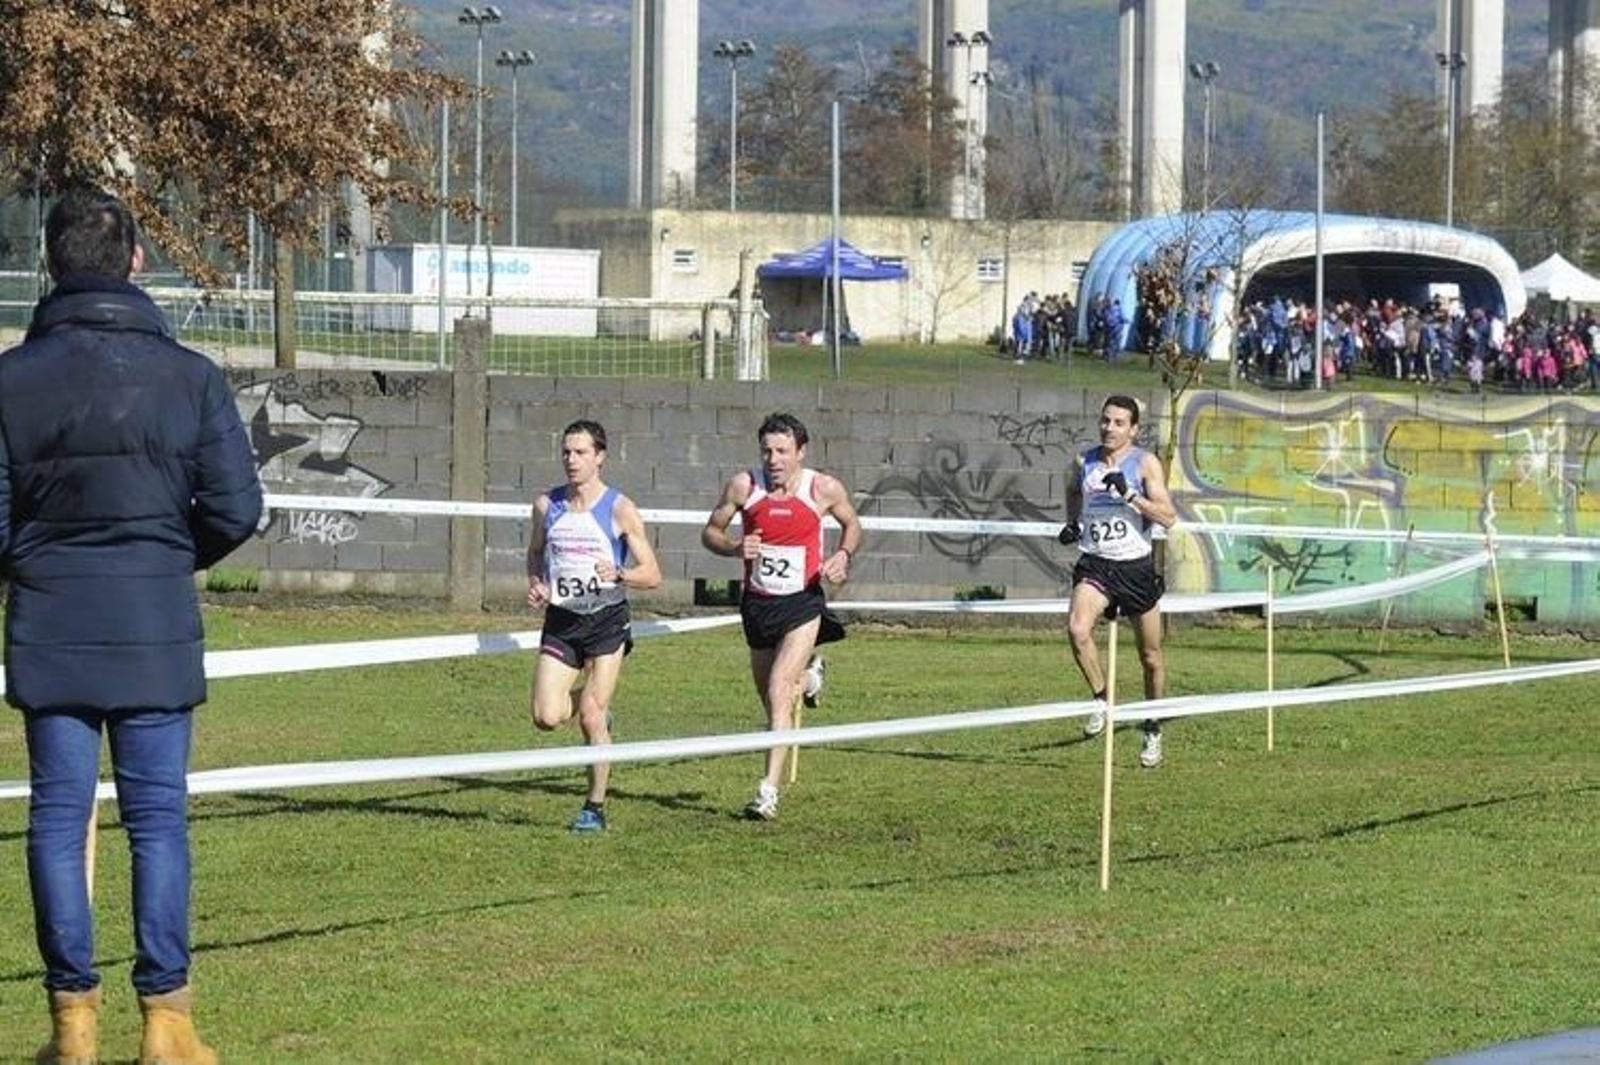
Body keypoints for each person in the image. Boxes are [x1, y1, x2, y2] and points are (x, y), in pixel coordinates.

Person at [0, 188, 262, 1063]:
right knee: (157, 821)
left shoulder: (9, 380)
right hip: (154, 620)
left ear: (49, 264)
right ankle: (167, 1023)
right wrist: (166, 555)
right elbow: (237, 508)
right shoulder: (192, 376)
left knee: (57, 817)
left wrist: (40, 562)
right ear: (138, 261)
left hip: (50, 621)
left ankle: (71, 1024)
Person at [702, 412, 863, 820]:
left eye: (782, 451)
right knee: (773, 698)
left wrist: (843, 555)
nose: (773, 459)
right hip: (758, 605)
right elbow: (711, 532)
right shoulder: (744, 486)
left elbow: (852, 524)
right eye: (767, 451)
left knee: (778, 691)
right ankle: (812, 678)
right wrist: (735, 547)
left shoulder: (822, 488)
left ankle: (767, 792)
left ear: (800, 452)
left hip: (801, 604)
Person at [527, 420, 662, 833]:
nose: (571, 460)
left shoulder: (619, 509)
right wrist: (537, 582)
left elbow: (653, 574)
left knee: (589, 716)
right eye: (566, 452)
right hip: (563, 620)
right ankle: (598, 706)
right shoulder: (546, 506)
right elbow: (534, 552)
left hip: (606, 622)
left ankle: (594, 807)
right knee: (546, 716)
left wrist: (620, 573)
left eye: (581, 452)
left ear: (600, 457)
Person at [1059, 396, 1178, 768]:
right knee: (1078, 628)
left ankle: (1152, 727)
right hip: (1096, 564)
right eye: (1105, 420)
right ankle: (1102, 699)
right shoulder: (1084, 461)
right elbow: (1072, 490)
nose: (1109, 428)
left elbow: (1168, 517)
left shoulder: (1144, 463)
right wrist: (1074, 522)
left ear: (1133, 429)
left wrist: (1130, 495)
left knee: (1150, 657)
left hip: (1135, 568)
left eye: (1119, 423)